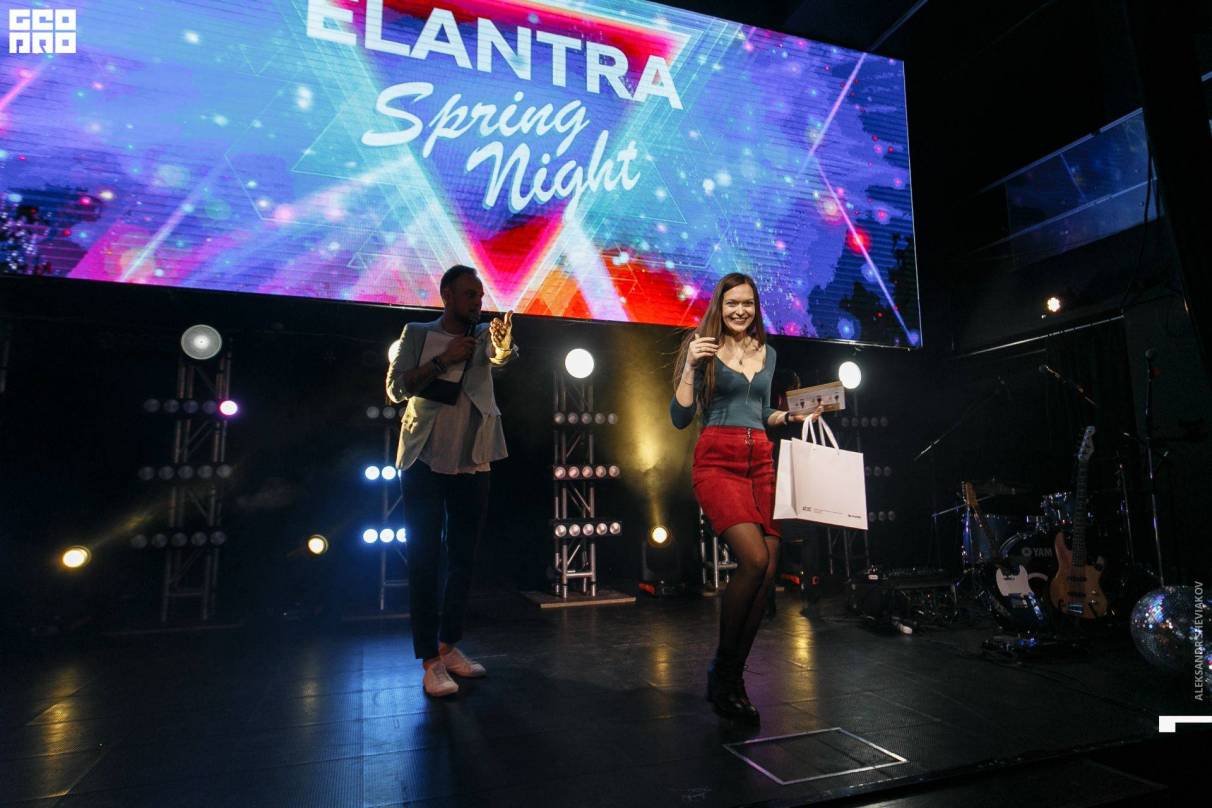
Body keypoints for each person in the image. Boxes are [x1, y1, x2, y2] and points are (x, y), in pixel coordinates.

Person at [670, 272, 819, 725]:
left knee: (769, 571)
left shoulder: (768, 353)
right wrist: (690, 366)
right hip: (718, 461)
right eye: (732, 303)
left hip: (761, 463)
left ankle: (733, 677)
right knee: (754, 560)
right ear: (720, 305)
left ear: (756, 307)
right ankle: (722, 668)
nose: (740, 311)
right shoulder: (702, 348)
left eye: (748, 303)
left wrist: (790, 416)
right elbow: (679, 417)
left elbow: (761, 412)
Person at [386, 265, 517, 697]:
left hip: (473, 458)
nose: (477, 302)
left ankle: (449, 646)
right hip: (424, 457)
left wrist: (502, 345)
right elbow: (395, 389)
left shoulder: (483, 336)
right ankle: (429, 660)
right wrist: (444, 360)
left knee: (464, 557)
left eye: (480, 295)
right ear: (446, 296)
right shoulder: (417, 332)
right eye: (469, 295)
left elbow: (501, 357)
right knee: (424, 558)